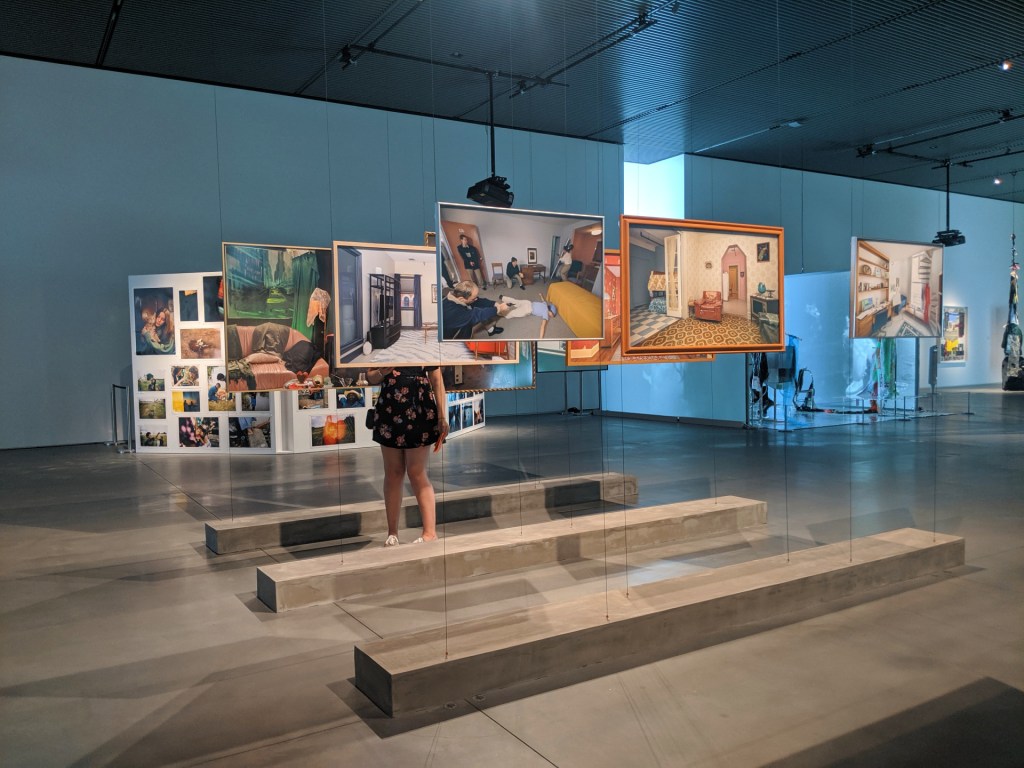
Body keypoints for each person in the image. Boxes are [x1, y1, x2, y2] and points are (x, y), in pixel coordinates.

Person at [365, 366, 449, 546]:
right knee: (393, 472)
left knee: (416, 471)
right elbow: (371, 376)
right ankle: (392, 533)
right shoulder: (383, 350)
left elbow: (436, 379)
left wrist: (442, 416)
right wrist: (382, 371)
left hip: (419, 407)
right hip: (389, 408)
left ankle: (429, 533)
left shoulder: (425, 347)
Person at [441, 281, 511, 339]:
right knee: (479, 315)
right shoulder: (453, 312)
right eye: (473, 298)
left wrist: (494, 303)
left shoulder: (457, 294)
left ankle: (491, 330)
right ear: (461, 299)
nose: (476, 299)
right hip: (452, 338)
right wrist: (499, 309)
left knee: (479, 308)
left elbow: (478, 301)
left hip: (461, 321)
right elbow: (477, 314)